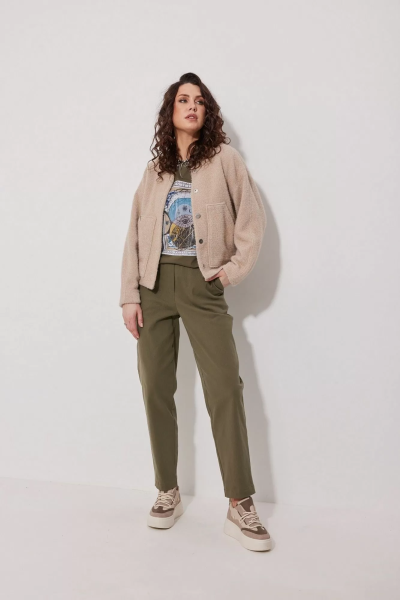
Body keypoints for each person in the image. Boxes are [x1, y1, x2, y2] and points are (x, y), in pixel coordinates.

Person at [120, 72, 271, 552]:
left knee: (225, 387)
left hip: (203, 285)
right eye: (183, 100)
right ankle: (167, 489)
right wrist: (129, 296)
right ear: (170, 112)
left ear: (208, 113)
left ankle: (239, 502)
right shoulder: (155, 171)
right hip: (154, 287)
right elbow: (135, 233)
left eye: (200, 101)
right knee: (155, 388)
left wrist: (230, 273)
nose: (191, 106)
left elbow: (252, 222)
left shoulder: (225, 161)